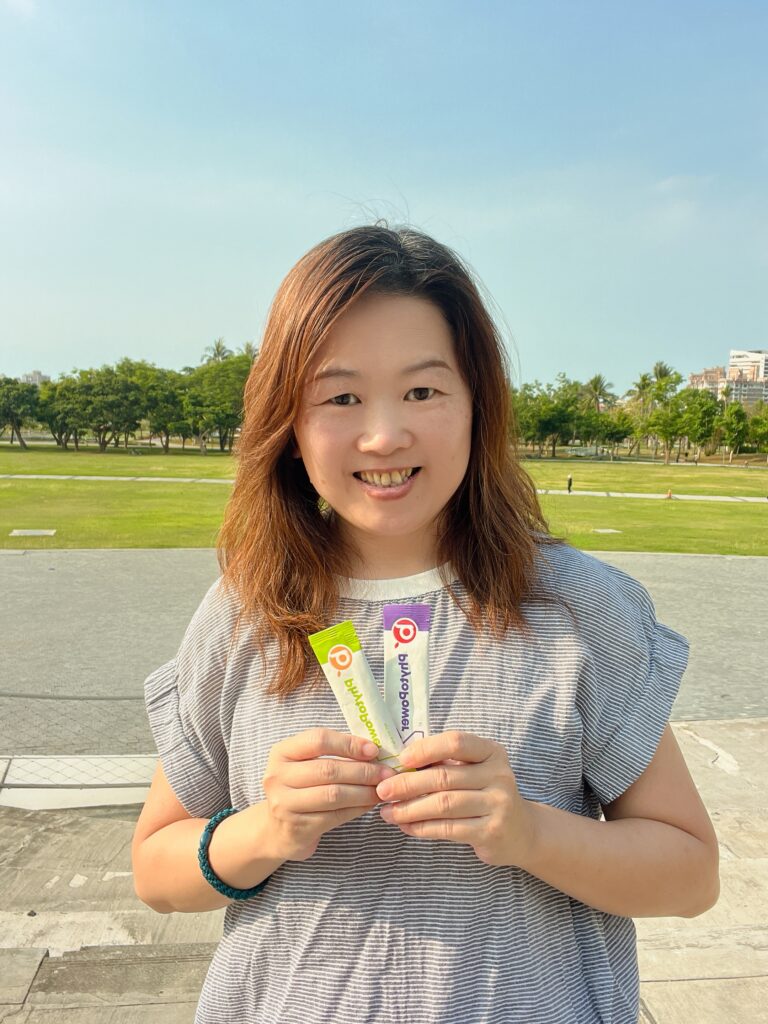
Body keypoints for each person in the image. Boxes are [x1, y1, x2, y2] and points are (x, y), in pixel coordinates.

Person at [131, 225, 719, 1024]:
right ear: (290, 426)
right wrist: (267, 830)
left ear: (477, 405)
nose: (384, 435)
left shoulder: (577, 607)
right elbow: (155, 870)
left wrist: (529, 833)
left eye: (422, 391)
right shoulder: (244, 611)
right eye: (341, 397)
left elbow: (691, 874)